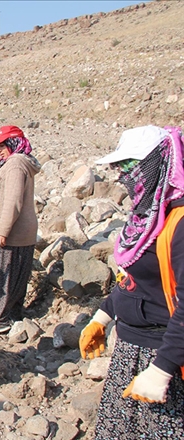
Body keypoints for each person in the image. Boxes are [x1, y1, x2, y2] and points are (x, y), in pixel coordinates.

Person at [79, 125, 184, 439]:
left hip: (165, 358)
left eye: (129, 167)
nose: (124, 176)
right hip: (131, 350)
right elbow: (135, 278)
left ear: (157, 165)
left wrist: (162, 369)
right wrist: (103, 315)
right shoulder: (148, 214)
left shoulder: (178, 223)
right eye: (120, 168)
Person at [0, 126, 41, 334]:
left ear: (13, 143)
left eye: (2, 145)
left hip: (13, 232)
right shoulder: (16, 162)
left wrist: (2, 232)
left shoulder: (16, 164)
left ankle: (0, 319)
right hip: (18, 231)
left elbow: (13, 202)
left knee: (5, 277)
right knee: (14, 275)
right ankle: (12, 317)